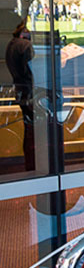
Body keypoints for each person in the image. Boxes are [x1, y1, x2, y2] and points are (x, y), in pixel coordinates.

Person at [5, 20, 35, 171]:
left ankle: (30, 164)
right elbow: (32, 69)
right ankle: (34, 165)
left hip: (20, 91)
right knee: (35, 132)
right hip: (30, 93)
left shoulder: (11, 44)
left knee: (28, 129)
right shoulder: (25, 46)